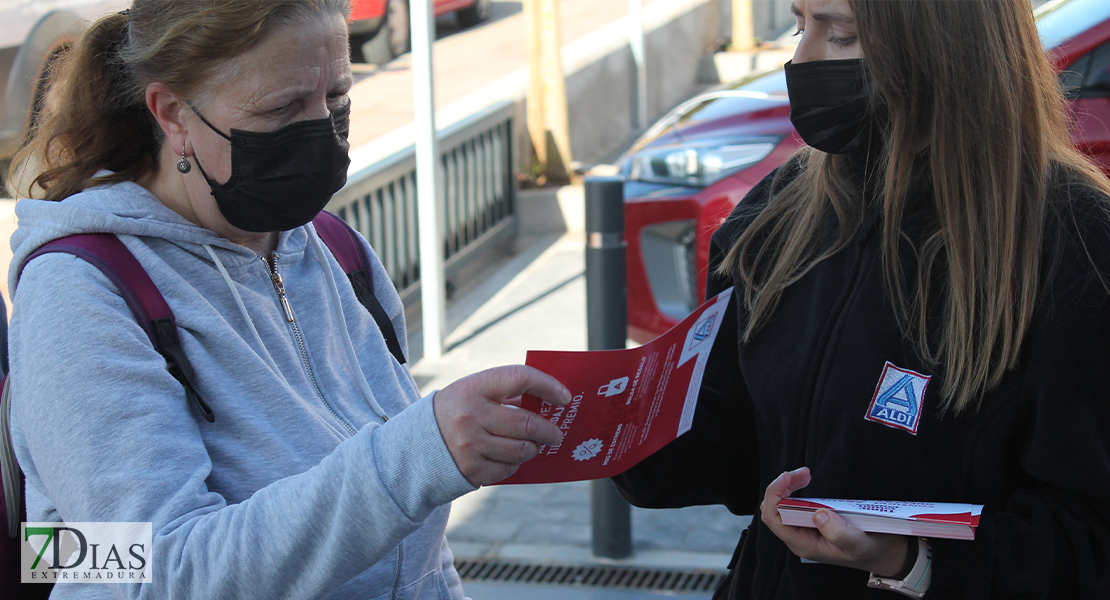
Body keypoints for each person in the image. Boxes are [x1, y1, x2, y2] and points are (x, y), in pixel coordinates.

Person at [6, 1, 571, 598]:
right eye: (281, 109)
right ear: (173, 113)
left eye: (337, 101)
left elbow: (415, 550)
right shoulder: (79, 290)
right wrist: (417, 456)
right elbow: (150, 570)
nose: (320, 136)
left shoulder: (329, 245)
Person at [613, 0, 1110, 598]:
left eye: (842, 35)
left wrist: (910, 561)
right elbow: (741, 436)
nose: (802, 59)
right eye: (800, 26)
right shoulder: (782, 208)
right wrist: (616, 430)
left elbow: (1090, 536)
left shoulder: (1075, 242)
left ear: (946, 47)